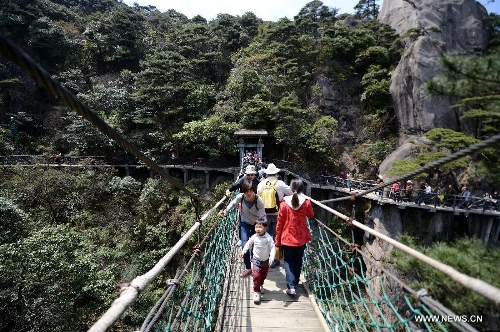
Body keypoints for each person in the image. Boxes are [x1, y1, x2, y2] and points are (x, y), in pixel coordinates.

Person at [275, 179, 314, 297]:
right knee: (298, 261)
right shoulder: (306, 202)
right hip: (301, 238)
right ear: (303, 189)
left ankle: (291, 287)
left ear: (291, 189)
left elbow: (279, 224)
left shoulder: (284, 203)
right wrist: (309, 202)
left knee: (288, 261)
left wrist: (277, 241)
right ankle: (295, 283)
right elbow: (311, 215)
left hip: (287, 238)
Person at [219, 182, 266, 277]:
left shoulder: (258, 200)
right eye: (246, 191)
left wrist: (262, 226)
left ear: (254, 191)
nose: (249, 193)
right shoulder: (240, 197)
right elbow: (232, 204)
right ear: (243, 192)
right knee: (245, 244)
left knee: (255, 244)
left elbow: (262, 214)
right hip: (244, 222)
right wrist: (225, 211)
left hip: (255, 224)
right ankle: (248, 267)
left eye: (251, 191)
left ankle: (254, 261)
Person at [257, 163, 292, 268]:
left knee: (264, 236)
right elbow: (290, 192)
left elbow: (258, 198)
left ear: (266, 173)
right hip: (278, 214)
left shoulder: (261, 184)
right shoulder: (280, 183)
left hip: (264, 215)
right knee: (277, 237)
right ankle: (276, 260)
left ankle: (265, 258)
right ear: (276, 173)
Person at [240, 219, 275, 304]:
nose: (258, 229)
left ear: (265, 228)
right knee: (256, 276)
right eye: (256, 227)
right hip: (256, 260)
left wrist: (271, 258)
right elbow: (248, 244)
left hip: (265, 261)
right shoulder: (254, 237)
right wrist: (243, 251)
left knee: (263, 276)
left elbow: (273, 248)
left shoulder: (268, 238)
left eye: (260, 227)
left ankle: (260, 284)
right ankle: (256, 292)